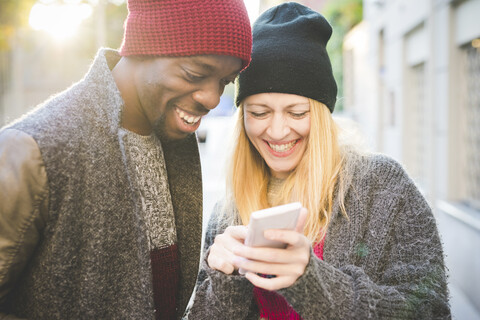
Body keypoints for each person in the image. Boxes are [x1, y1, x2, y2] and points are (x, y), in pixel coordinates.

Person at [186, 3, 450, 319]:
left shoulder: (384, 188)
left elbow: (429, 310)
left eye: (297, 112)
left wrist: (313, 282)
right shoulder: (226, 214)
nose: (278, 130)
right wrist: (225, 283)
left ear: (323, 115)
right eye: (259, 113)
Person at [0, 0, 251, 319]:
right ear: (144, 46)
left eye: (225, 82)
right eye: (195, 74)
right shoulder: (31, 150)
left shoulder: (174, 142)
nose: (213, 98)